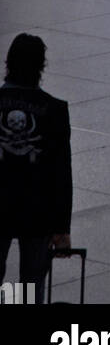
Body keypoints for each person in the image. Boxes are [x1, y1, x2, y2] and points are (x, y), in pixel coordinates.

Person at [0, 34, 72, 305]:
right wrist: (61, 227)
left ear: (8, 63)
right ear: (41, 67)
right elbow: (61, 173)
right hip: (37, 212)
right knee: (31, 285)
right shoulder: (54, 110)